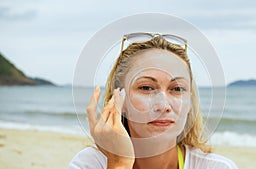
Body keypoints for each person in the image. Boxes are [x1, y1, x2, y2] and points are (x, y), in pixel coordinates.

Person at [68, 33, 238, 169]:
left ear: (189, 102)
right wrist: (120, 163)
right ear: (120, 100)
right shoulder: (89, 164)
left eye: (177, 89)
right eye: (146, 88)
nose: (163, 106)